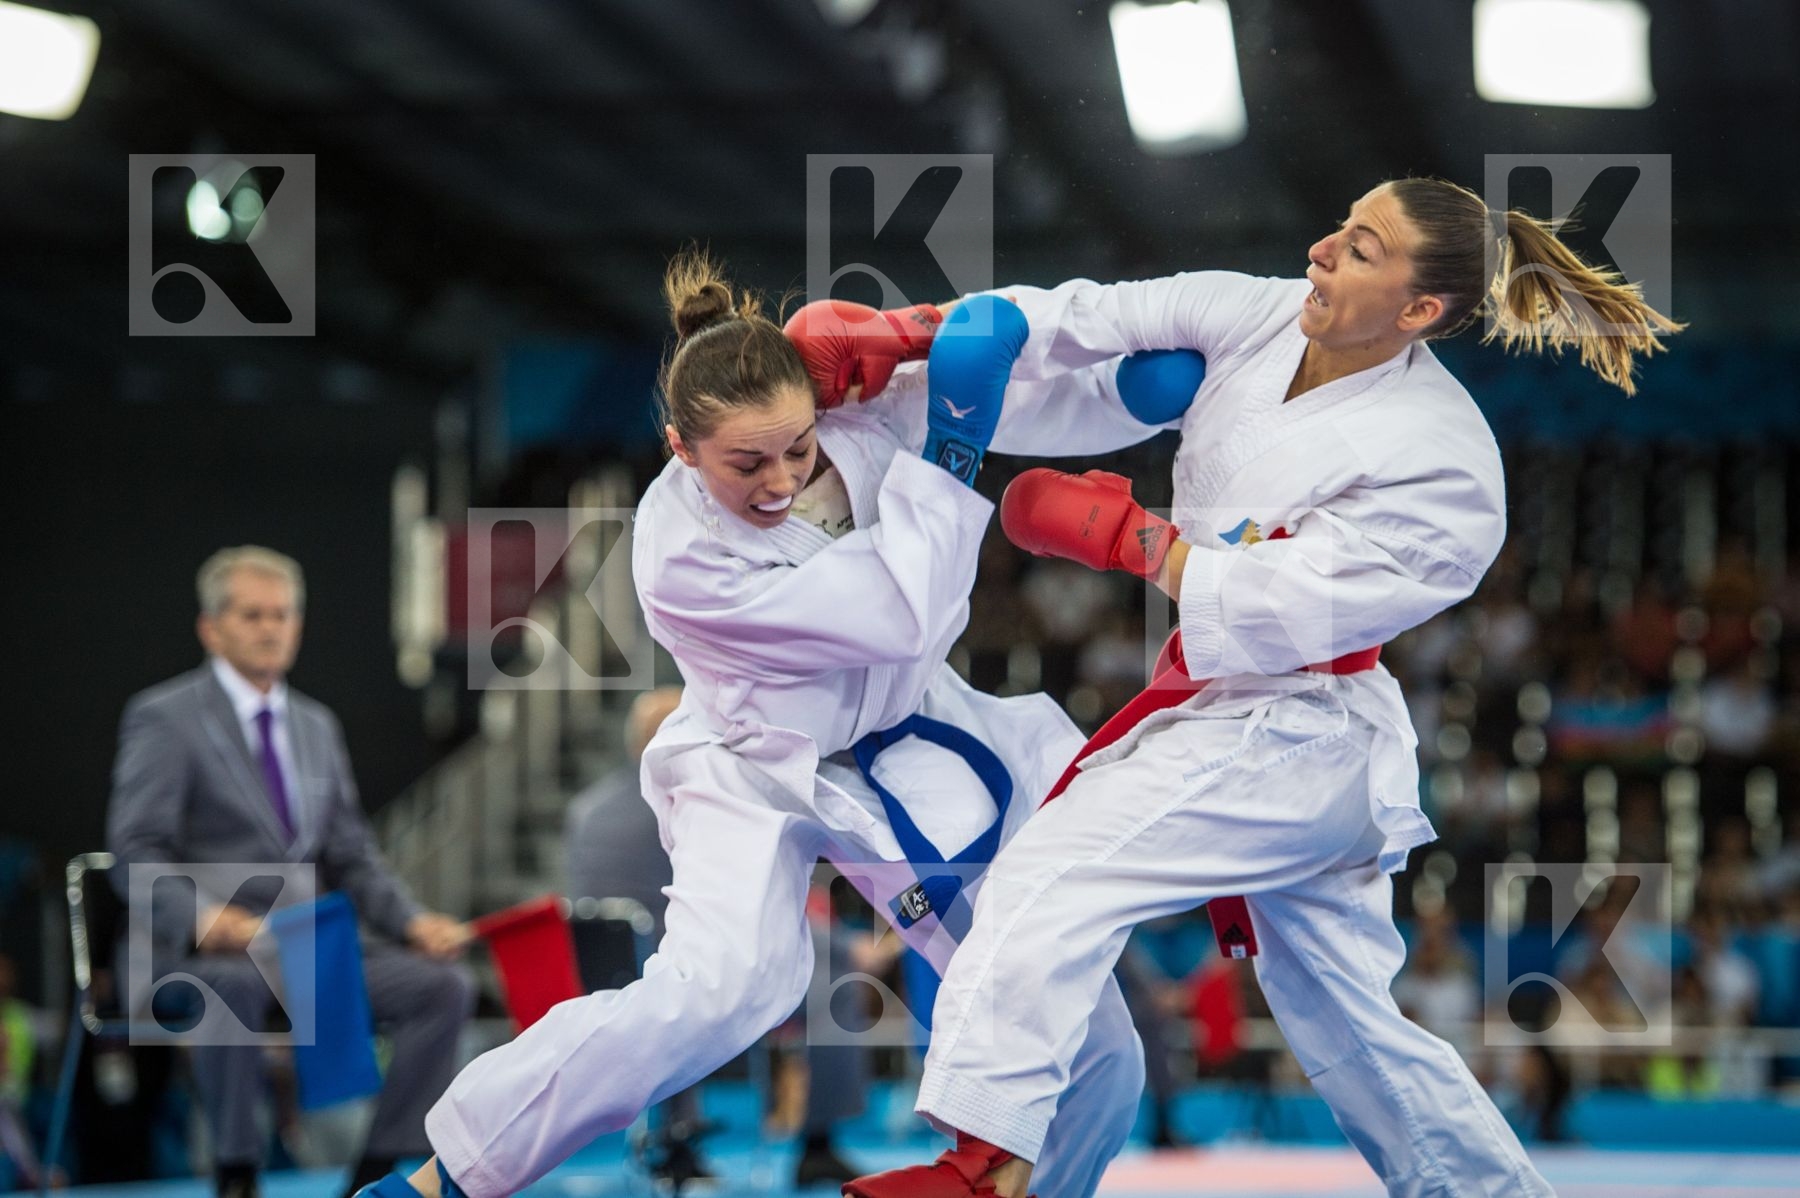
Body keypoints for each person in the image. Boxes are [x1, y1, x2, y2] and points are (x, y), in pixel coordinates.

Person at [847, 176, 1682, 1197]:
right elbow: (1087, 315)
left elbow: (1292, 609)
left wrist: (1129, 537)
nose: (1324, 247)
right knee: (1354, 1034)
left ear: (1420, 311)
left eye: (1364, 247)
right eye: (1342, 222)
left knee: (1057, 869)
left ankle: (985, 1164)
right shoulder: (1260, 313)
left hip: (1301, 731)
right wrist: (911, 335)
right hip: (1231, 715)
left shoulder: (1449, 469)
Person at [354, 252, 1203, 1198]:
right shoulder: (675, 556)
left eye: (795, 450)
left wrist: (1128, 394)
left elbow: (998, 371)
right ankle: (443, 1179)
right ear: (681, 446)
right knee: (719, 993)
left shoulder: (853, 413)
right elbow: (900, 611)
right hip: (752, 767)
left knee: (1092, 1039)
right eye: (744, 462)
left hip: (914, 732)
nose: (777, 479)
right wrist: (953, 451)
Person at [106, 546, 477, 1198]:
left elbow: (354, 855)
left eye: (283, 614)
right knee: (232, 987)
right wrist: (203, 918)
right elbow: (134, 850)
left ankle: (375, 1172)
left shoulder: (315, 725)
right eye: (252, 615)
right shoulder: (164, 718)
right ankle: (237, 1175)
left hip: (304, 947)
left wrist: (413, 921)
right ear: (211, 628)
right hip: (194, 952)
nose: (272, 628)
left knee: (442, 988)